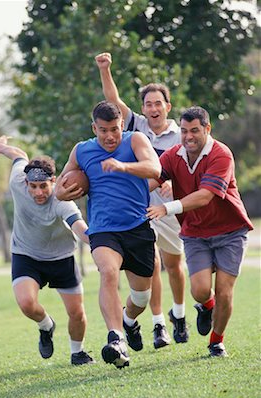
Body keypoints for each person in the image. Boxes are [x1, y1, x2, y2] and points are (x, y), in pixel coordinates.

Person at [55, 101, 161, 368]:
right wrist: (60, 191)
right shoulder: (82, 150)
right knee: (108, 272)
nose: (110, 136)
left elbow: (155, 168)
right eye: (103, 130)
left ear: (122, 125)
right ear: (94, 128)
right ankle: (116, 338)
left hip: (137, 228)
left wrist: (124, 167)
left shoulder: (135, 140)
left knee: (141, 299)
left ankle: (128, 320)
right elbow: (61, 182)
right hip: (103, 229)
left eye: (114, 129)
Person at [95, 52, 188, 349]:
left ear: (167, 106)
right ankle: (158, 324)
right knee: (154, 262)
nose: (152, 108)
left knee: (173, 264)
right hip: (139, 206)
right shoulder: (135, 128)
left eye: (157, 103)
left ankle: (180, 314)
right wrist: (105, 69)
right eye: (147, 104)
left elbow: (185, 168)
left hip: (168, 204)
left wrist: (172, 183)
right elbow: (112, 100)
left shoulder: (179, 136)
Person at [147, 106, 253, 357]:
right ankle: (207, 305)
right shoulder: (173, 155)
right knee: (200, 290)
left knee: (225, 292)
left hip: (230, 232)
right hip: (195, 232)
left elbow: (205, 196)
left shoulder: (221, 154)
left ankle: (216, 341)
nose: (188, 137)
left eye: (194, 130)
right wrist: (117, 188)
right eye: (184, 131)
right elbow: (151, 180)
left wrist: (167, 208)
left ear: (207, 129)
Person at [0, 136, 95, 365]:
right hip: (26, 254)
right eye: (33, 186)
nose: (38, 192)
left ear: (53, 182)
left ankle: (78, 353)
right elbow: (19, 156)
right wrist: (2, 148)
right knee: (26, 303)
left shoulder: (62, 201)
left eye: (43, 186)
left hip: (61, 257)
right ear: (25, 183)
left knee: (77, 313)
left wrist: (101, 243)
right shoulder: (17, 182)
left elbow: (80, 229)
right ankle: (46, 326)